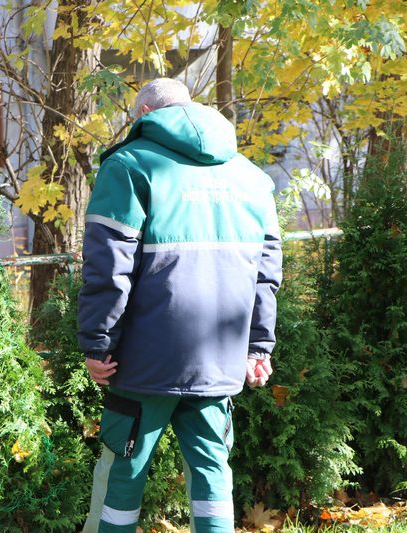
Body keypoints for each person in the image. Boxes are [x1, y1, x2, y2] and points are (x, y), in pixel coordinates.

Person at [77, 78, 282, 533]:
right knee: (213, 478)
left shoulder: (129, 166)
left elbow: (109, 267)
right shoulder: (250, 177)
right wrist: (258, 347)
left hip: (143, 363)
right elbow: (266, 275)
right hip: (220, 359)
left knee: (122, 477)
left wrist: (98, 342)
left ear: (144, 115)